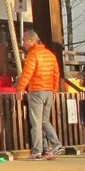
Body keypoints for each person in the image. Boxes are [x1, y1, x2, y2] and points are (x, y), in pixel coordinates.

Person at [15, 29, 64, 160]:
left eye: (24, 40)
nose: (23, 43)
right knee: (44, 121)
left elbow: (27, 73)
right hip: (49, 91)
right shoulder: (50, 54)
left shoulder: (33, 54)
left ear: (32, 41)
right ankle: (53, 146)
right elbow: (56, 74)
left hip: (37, 91)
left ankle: (37, 151)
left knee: (36, 123)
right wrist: (54, 90)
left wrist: (20, 88)